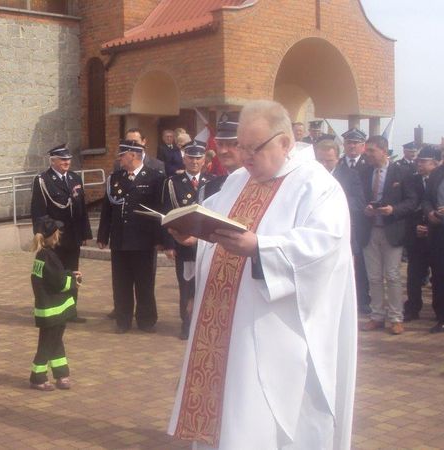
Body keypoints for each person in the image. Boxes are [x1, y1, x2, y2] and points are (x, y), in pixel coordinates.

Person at [167, 100, 356, 449]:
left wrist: (260, 248)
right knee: (227, 409)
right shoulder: (238, 180)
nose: (245, 156)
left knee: (258, 414)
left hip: (272, 331)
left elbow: (323, 248)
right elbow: (211, 218)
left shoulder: (317, 186)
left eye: (254, 148)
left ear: (284, 142)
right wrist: (190, 230)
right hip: (222, 323)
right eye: (241, 146)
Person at [97, 140, 164, 333]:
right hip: (120, 239)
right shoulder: (116, 178)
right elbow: (107, 209)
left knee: (144, 283)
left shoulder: (154, 178)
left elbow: (160, 210)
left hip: (143, 241)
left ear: (133, 155)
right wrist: (103, 235)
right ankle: (123, 320)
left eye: (122, 155)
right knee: (121, 283)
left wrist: (160, 239)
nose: (119, 159)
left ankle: (146, 320)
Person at [359, 135, 417, 335]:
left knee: (392, 275)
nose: (367, 155)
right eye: (366, 151)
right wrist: (364, 209)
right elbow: (357, 198)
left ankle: (396, 317)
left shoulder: (402, 172)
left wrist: (393, 210)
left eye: (371, 151)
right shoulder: (364, 172)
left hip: (392, 230)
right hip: (370, 230)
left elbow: (412, 201)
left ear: (383, 150)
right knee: (373, 276)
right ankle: (376, 316)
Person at [30, 144, 92, 323]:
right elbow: (38, 211)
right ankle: (55, 309)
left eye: (68, 159)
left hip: (73, 237)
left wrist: (85, 233)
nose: (67, 162)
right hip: (54, 238)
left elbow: (82, 209)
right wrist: (41, 235)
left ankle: (71, 311)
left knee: (72, 273)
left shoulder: (75, 178)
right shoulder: (43, 180)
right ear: (53, 161)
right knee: (55, 274)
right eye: (63, 159)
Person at [161, 141, 213, 340]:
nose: (194, 161)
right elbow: (167, 214)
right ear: (184, 159)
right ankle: (187, 322)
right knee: (186, 285)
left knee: (205, 284)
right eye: (190, 157)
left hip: (207, 244)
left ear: (204, 160)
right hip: (184, 246)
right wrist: (168, 243)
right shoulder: (173, 183)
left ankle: (203, 322)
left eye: (198, 158)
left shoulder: (213, 181)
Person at [314, 139, 370, 315]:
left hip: (340, 232)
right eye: (320, 160)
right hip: (315, 235)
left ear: (338, 159)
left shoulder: (350, 175)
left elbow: (359, 202)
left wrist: (333, 202)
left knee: (341, 276)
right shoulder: (308, 175)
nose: (324, 164)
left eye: (328, 160)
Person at [28, 217, 80, 391]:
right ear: (52, 236)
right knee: (47, 343)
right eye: (58, 232)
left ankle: (61, 374)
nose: (60, 234)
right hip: (53, 309)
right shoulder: (48, 256)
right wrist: (74, 280)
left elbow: (52, 277)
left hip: (49, 309)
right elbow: (58, 282)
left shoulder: (43, 256)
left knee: (55, 341)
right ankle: (37, 377)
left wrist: (68, 274)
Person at [403, 146, 440, 322]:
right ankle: (412, 308)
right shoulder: (411, 180)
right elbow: (408, 206)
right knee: (414, 275)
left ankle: (439, 310)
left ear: (436, 163)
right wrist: (416, 226)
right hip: (416, 234)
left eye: (424, 162)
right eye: (418, 161)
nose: (419, 164)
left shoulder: (441, 180)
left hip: (438, 234)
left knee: (439, 276)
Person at [422, 148, 444, 333]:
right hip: (438, 231)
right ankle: (441, 316)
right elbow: (427, 198)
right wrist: (430, 212)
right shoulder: (437, 173)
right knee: (439, 274)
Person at [197, 116, 242, 202]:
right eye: (219, 144)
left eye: (230, 144)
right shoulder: (209, 189)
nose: (223, 151)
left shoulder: (260, 185)